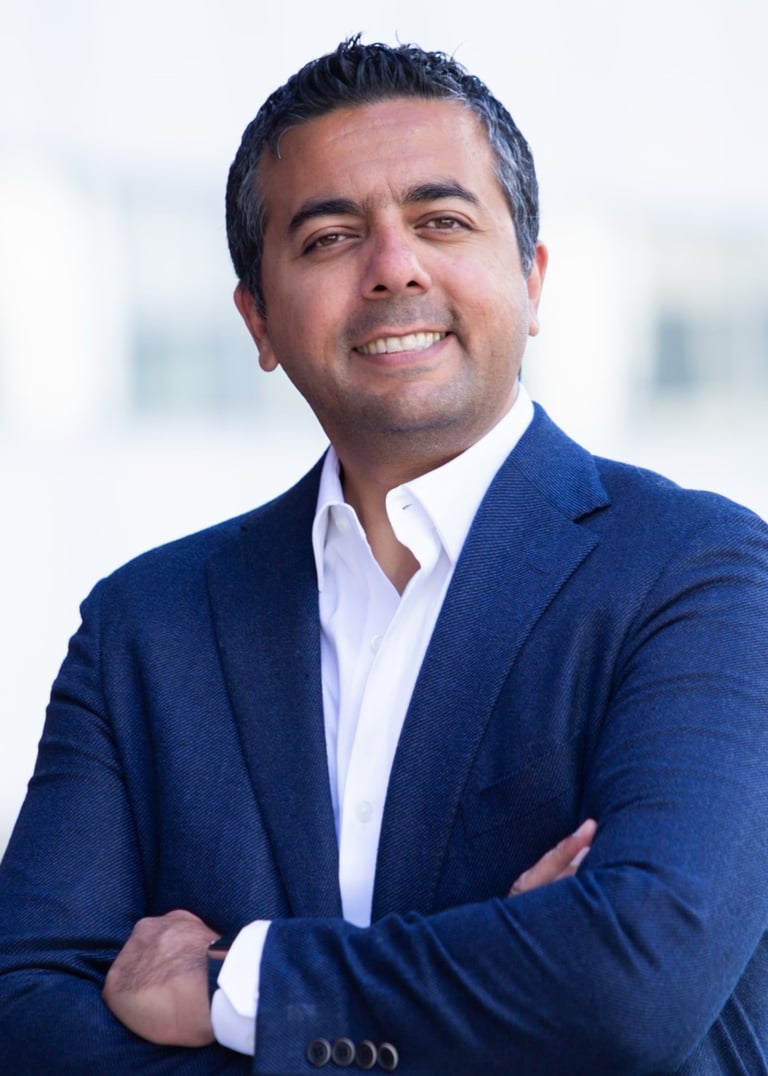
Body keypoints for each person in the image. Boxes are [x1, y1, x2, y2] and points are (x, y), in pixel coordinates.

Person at [1, 37, 768, 1075]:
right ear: (259, 321)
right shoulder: (145, 625)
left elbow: (630, 983)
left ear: (533, 281)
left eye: (442, 221)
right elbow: (27, 1019)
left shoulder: (700, 573)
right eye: (328, 237)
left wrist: (241, 985)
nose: (394, 265)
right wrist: (506, 989)